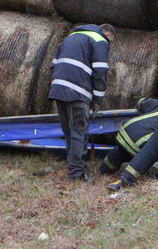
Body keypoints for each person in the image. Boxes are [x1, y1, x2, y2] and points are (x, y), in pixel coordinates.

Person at [49, 23, 115, 181]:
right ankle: (77, 174)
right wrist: (98, 100)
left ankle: (73, 166)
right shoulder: (100, 40)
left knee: (69, 132)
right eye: (111, 42)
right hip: (77, 92)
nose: (109, 45)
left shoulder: (70, 37)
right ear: (107, 34)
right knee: (79, 132)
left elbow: (53, 65)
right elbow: (100, 72)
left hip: (59, 89)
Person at [98, 97, 158, 175]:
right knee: (147, 155)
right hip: (140, 142)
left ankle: (103, 170)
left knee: (121, 151)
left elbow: (142, 101)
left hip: (125, 129)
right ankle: (128, 172)